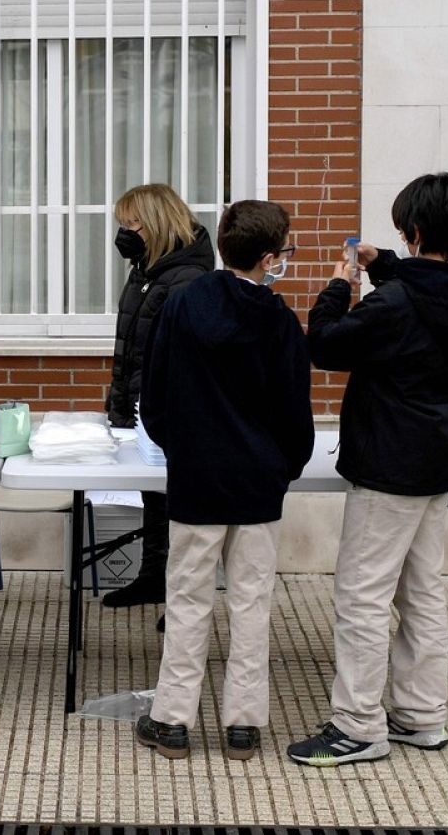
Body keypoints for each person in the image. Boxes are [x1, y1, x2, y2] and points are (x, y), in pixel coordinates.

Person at [287, 172, 448, 767]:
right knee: (422, 592)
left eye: (404, 233)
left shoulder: (396, 303)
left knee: (363, 596)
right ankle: (421, 717)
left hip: (387, 468)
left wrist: (337, 285)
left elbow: (324, 346)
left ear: (416, 230)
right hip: (435, 460)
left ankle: (357, 726)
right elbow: (424, 292)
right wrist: (383, 267)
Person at [132, 200, 314, 762]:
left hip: (197, 478)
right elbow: (295, 413)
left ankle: (172, 720)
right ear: (267, 257)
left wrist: (181, 449)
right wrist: (283, 467)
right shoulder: (280, 320)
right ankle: (243, 725)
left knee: (186, 600)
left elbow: (154, 398)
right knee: (251, 603)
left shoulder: (183, 304)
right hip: (258, 483)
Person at [101, 184, 214, 610]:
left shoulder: (186, 278)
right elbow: (131, 341)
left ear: (156, 223)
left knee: (179, 505)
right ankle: (153, 576)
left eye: (131, 224)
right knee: (154, 497)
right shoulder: (146, 270)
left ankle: (182, 601)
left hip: (169, 410)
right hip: (138, 403)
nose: (125, 233)